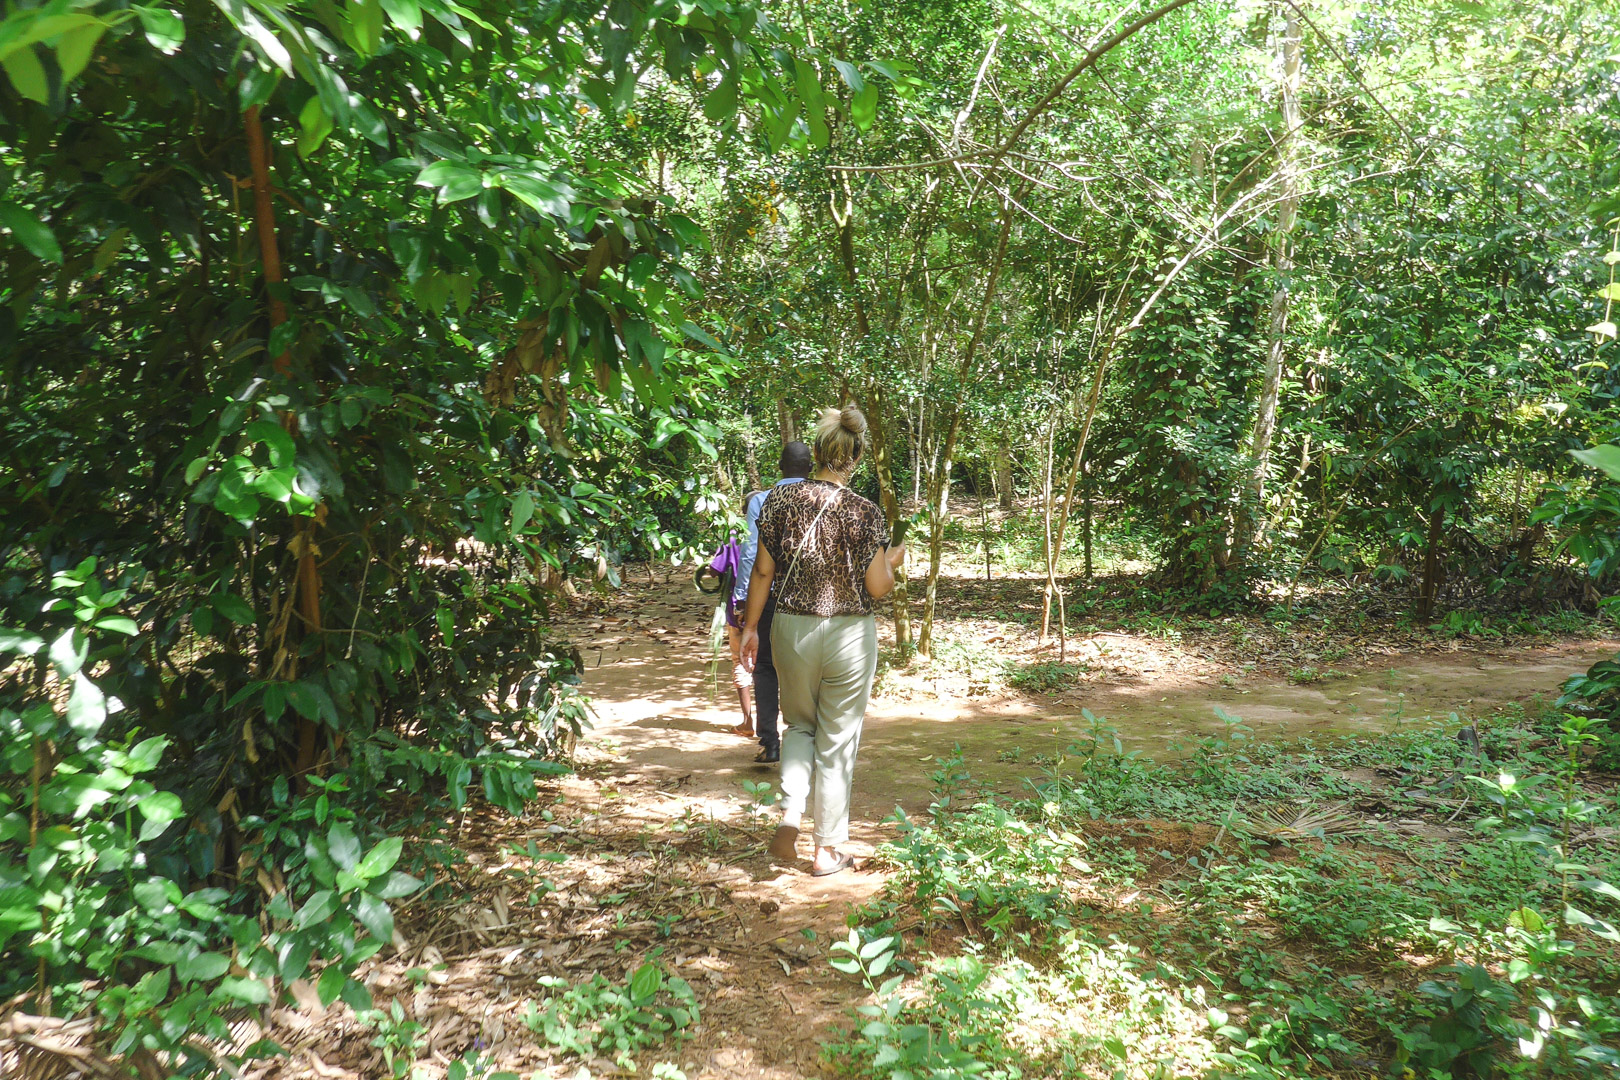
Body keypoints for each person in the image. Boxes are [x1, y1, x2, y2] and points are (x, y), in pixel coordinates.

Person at [740, 405, 905, 876]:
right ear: (855, 459)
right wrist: (891, 562)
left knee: (799, 726)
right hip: (849, 634)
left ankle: (792, 811)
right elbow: (876, 587)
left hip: (791, 626)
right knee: (837, 742)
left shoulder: (779, 501)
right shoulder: (865, 511)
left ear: (817, 453)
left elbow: (763, 570)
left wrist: (751, 628)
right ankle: (827, 849)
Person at [734, 441, 813, 763]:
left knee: (765, 666)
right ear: (810, 467)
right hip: (809, 597)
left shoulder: (764, 500)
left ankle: (770, 741)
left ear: (780, 467)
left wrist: (742, 598)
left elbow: (753, 553)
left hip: (771, 596)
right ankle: (807, 740)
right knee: (806, 668)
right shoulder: (820, 498)